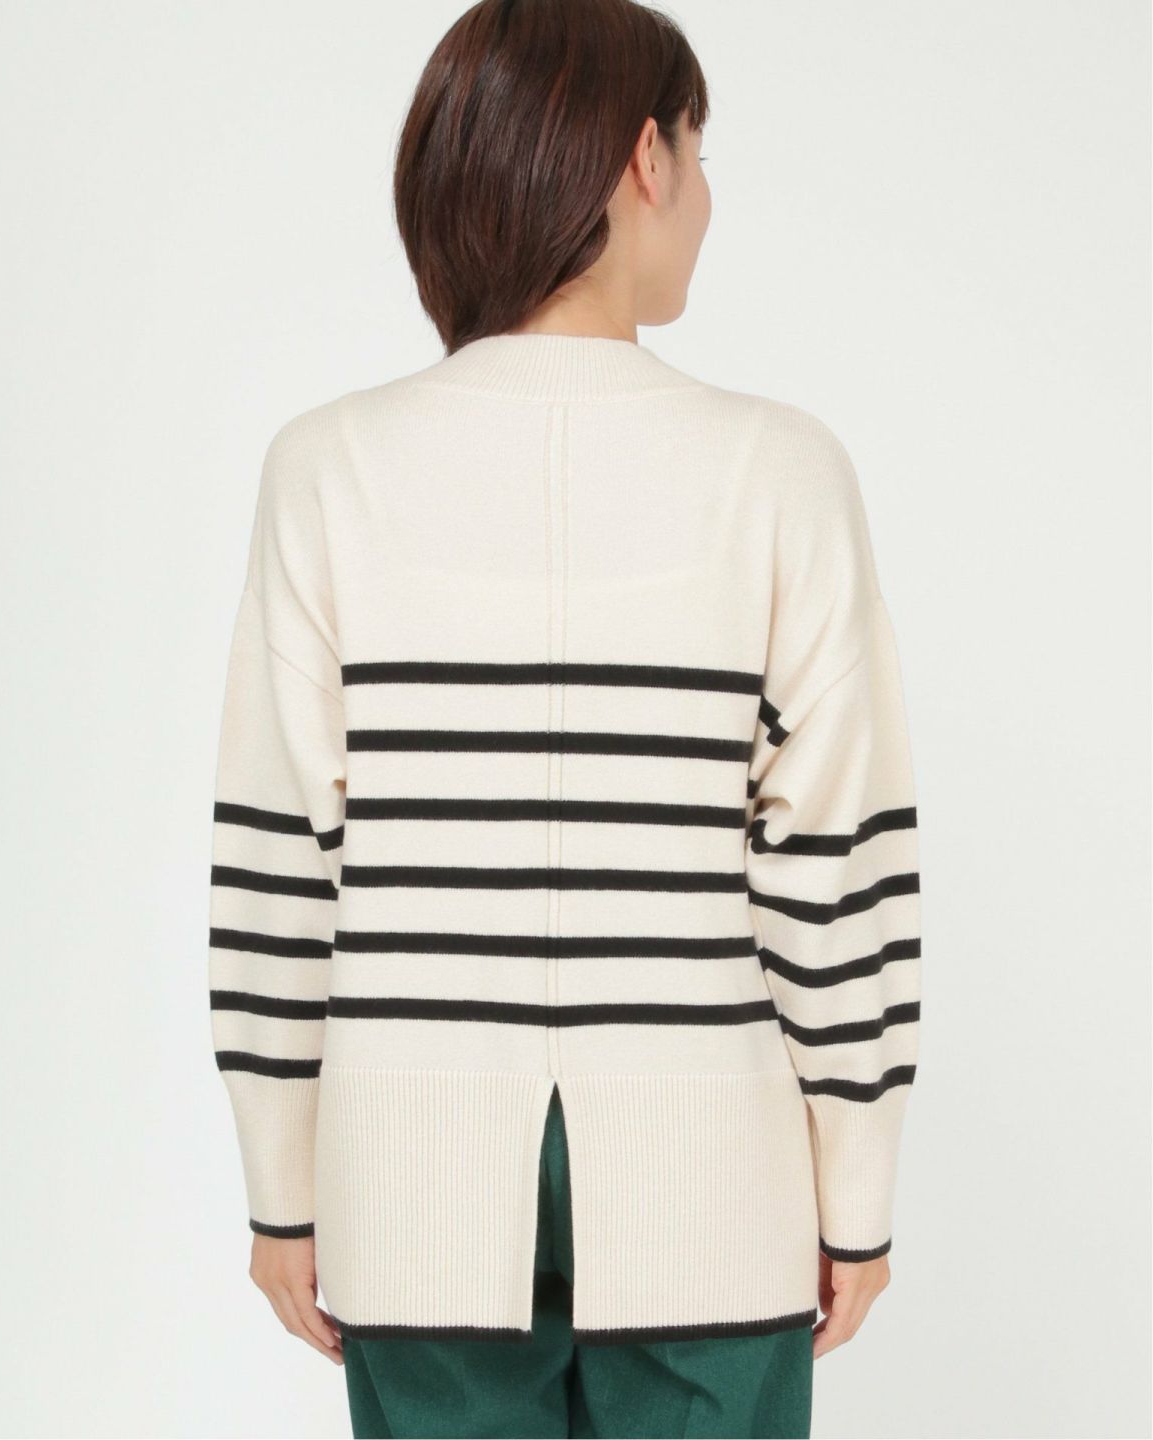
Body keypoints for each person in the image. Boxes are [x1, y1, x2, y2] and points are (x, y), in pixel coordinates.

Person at [206, 0, 922, 1435]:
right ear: (645, 156)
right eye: (700, 153)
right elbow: (835, 871)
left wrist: (281, 1188)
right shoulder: (779, 471)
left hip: (410, 1171)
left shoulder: (328, 469)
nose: (706, 196)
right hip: (711, 1175)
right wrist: (856, 1191)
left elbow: (280, 862)